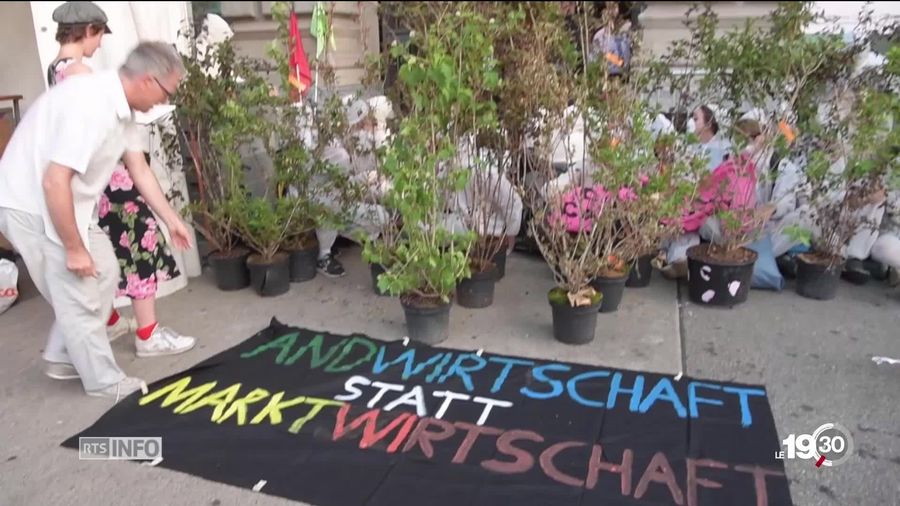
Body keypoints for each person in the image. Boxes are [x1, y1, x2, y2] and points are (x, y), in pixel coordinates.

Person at [0, 41, 190, 400]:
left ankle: (61, 354)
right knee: (79, 288)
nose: (165, 102)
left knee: (104, 267)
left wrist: (171, 219)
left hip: (66, 203)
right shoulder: (92, 106)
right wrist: (73, 248)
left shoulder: (122, 108)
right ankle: (103, 380)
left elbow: (139, 170)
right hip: (31, 203)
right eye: (167, 92)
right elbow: (53, 180)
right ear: (148, 81)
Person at [47, 1, 196, 355]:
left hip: (89, 186)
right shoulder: (80, 74)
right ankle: (147, 334)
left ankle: (112, 322)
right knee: (139, 244)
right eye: (98, 36)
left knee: (107, 256)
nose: (99, 45)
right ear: (88, 31)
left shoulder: (55, 70)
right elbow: (125, 153)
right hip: (112, 183)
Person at [312, 96, 394, 277]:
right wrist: (365, 179)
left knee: (382, 208)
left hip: (339, 196)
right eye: (362, 123)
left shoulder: (351, 141)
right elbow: (338, 187)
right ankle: (323, 254)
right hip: (325, 200)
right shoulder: (335, 151)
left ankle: (341, 239)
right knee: (375, 215)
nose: (366, 126)